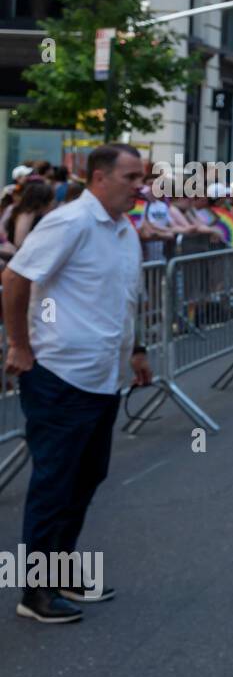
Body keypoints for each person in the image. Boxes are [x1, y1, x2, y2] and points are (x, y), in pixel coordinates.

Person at [1, 144, 153, 624]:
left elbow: (124, 297)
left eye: (141, 177)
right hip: (61, 375)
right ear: (99, 178)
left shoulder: (124, 229)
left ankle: (63, 574)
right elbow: (15, 278)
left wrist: (137, 350)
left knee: (86, 478)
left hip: (102, 377)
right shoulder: (70, 222)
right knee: (54, 483)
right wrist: (19, 346)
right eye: (130, 177)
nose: (139, 185)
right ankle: (36, 594)